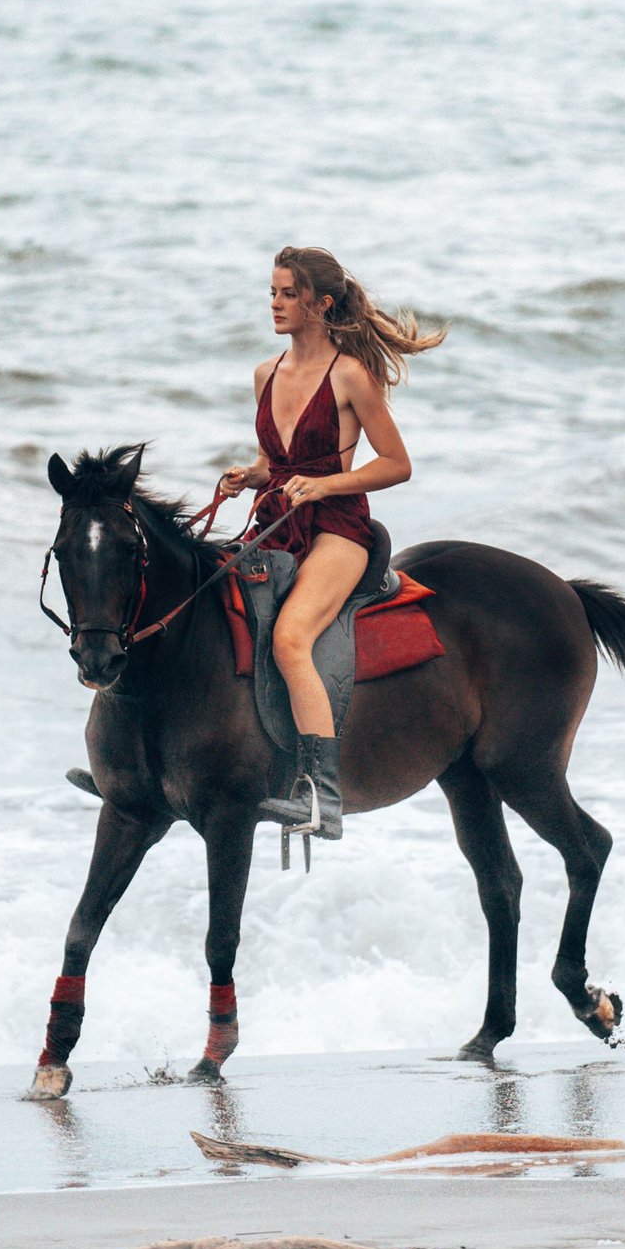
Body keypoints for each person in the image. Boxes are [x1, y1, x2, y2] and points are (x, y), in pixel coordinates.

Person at [219, 246, 445, 839]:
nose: (275, 304)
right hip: (276, 524)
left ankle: (323, 798)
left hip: (339, 529)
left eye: (288, 294)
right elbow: (277, 463)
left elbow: (397, 464)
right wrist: (251, 477)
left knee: (292, 638)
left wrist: (326, 486)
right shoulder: (264, 374)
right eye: (271, 292)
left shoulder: (350, 375)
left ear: (321, 303)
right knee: (209, 612)